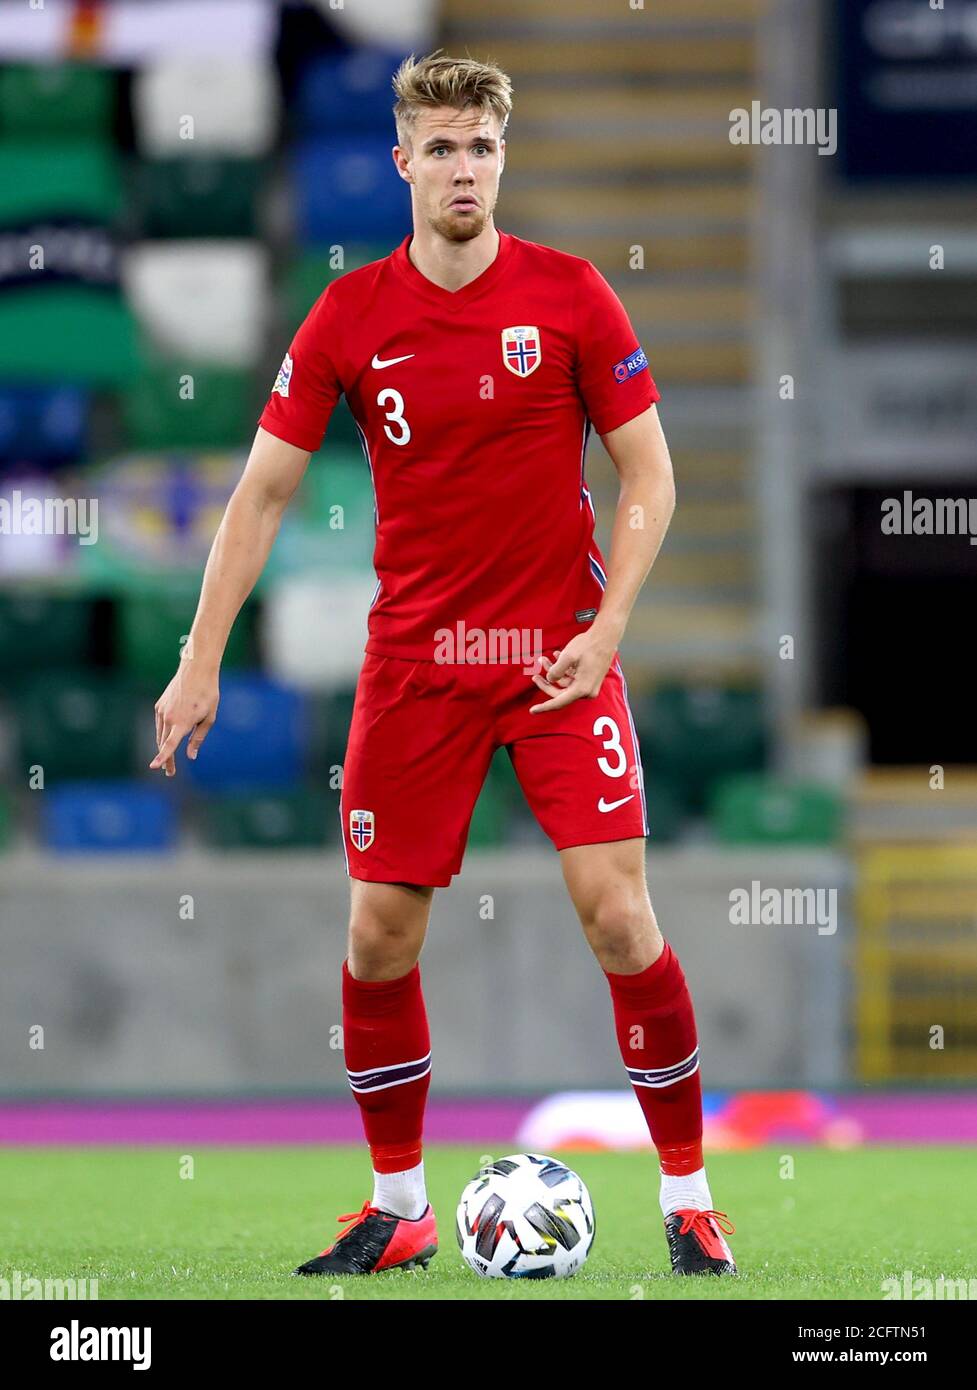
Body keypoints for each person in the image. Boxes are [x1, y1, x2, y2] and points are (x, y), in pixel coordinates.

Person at [151, 51, 736, 1279]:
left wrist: (606, 630)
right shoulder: (347, 316)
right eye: (442, 146)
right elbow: (259, 495)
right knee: (375, 938)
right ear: (402, 161)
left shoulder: (571, 295)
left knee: (619, 918)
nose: (462, 167)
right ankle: (399, 1205)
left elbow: (650, 475)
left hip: (556, 661)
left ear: (500, 160)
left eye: (482, 147)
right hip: (416, 666)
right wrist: (200, 660)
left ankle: (687, 1197)